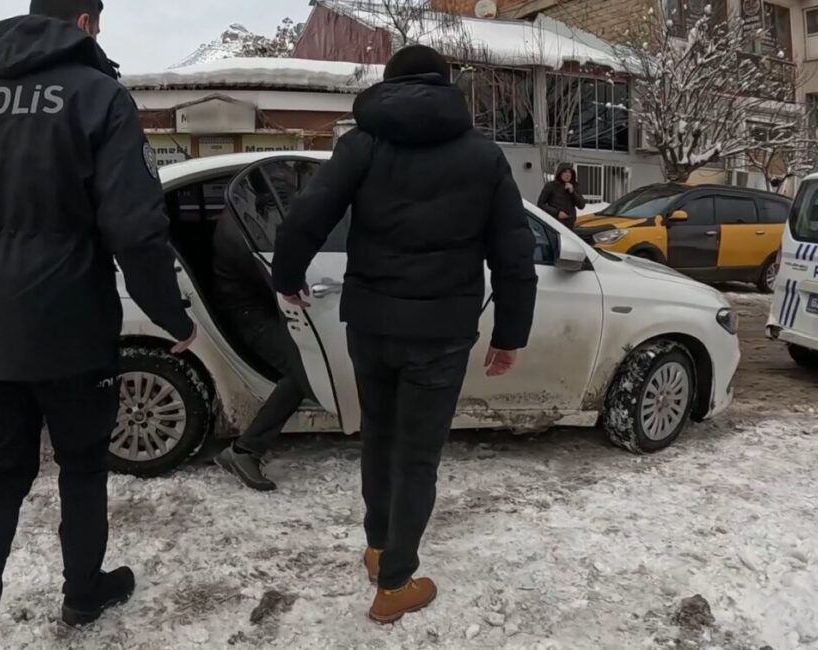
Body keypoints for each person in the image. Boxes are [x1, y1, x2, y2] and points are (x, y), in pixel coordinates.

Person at [0, 2, 196, 648]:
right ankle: (83, 593)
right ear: (85, 23)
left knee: (1, 474)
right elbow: (136, 226)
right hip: (73, 334)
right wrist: (171, 314)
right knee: (83, 466)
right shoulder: (101, 98)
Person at [271, 45, 538, 624]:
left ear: (390, 87)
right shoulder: (483, 157)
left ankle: (377, 547)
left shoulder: (362, 145)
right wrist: (510, 333)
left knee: (379, 437)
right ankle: (395, 582)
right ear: (446, 87)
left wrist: (287, 277)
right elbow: (514, 254)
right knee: (417, 457)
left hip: (371, 322)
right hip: (441, 334)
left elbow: (306, 215)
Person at [211, 212, 313, 492]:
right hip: (249, 316)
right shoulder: (237, 229)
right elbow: (278, 280)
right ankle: (244, 450)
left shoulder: (247, 217)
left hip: (258, 308)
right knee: (304, 372)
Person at [537, 163, 586, 230]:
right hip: (554, 224)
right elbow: (540, 204)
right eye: (565, 172)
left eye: (570, 172)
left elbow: (581, 205)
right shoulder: (551, 186)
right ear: (560, 173)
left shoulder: (574, 186)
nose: (567, 174)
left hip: (570, 225)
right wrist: (557, 213)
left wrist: (572, 192)